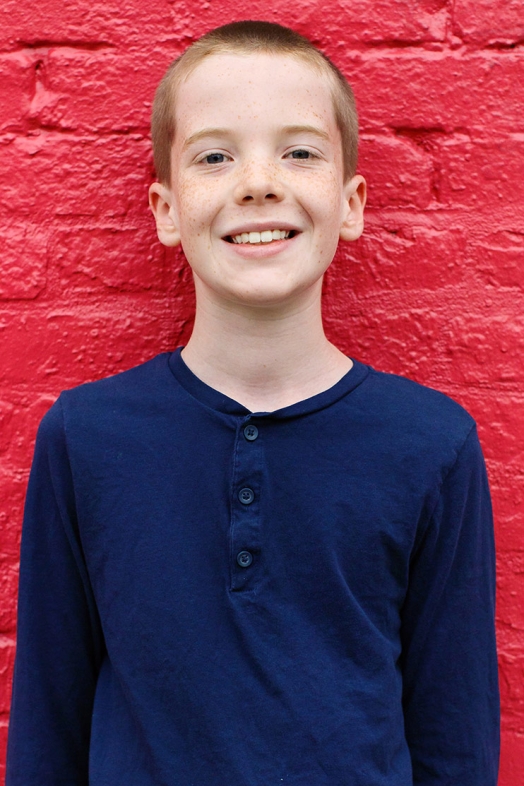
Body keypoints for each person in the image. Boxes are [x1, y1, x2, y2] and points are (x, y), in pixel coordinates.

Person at [6, 20, 499, 785]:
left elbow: (455, 739)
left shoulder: (432, 444)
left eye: (299, 152)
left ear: (351, 203)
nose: (258, 182)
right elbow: (48, 721)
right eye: (215, 156)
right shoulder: (86, 436)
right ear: (167, 210)